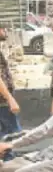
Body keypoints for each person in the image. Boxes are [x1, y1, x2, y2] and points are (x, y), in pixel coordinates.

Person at [0, 24, 21, 153]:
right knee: (14, 135)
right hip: (2, 102)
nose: (4, 31)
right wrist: (9, 98)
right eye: (1, 28)